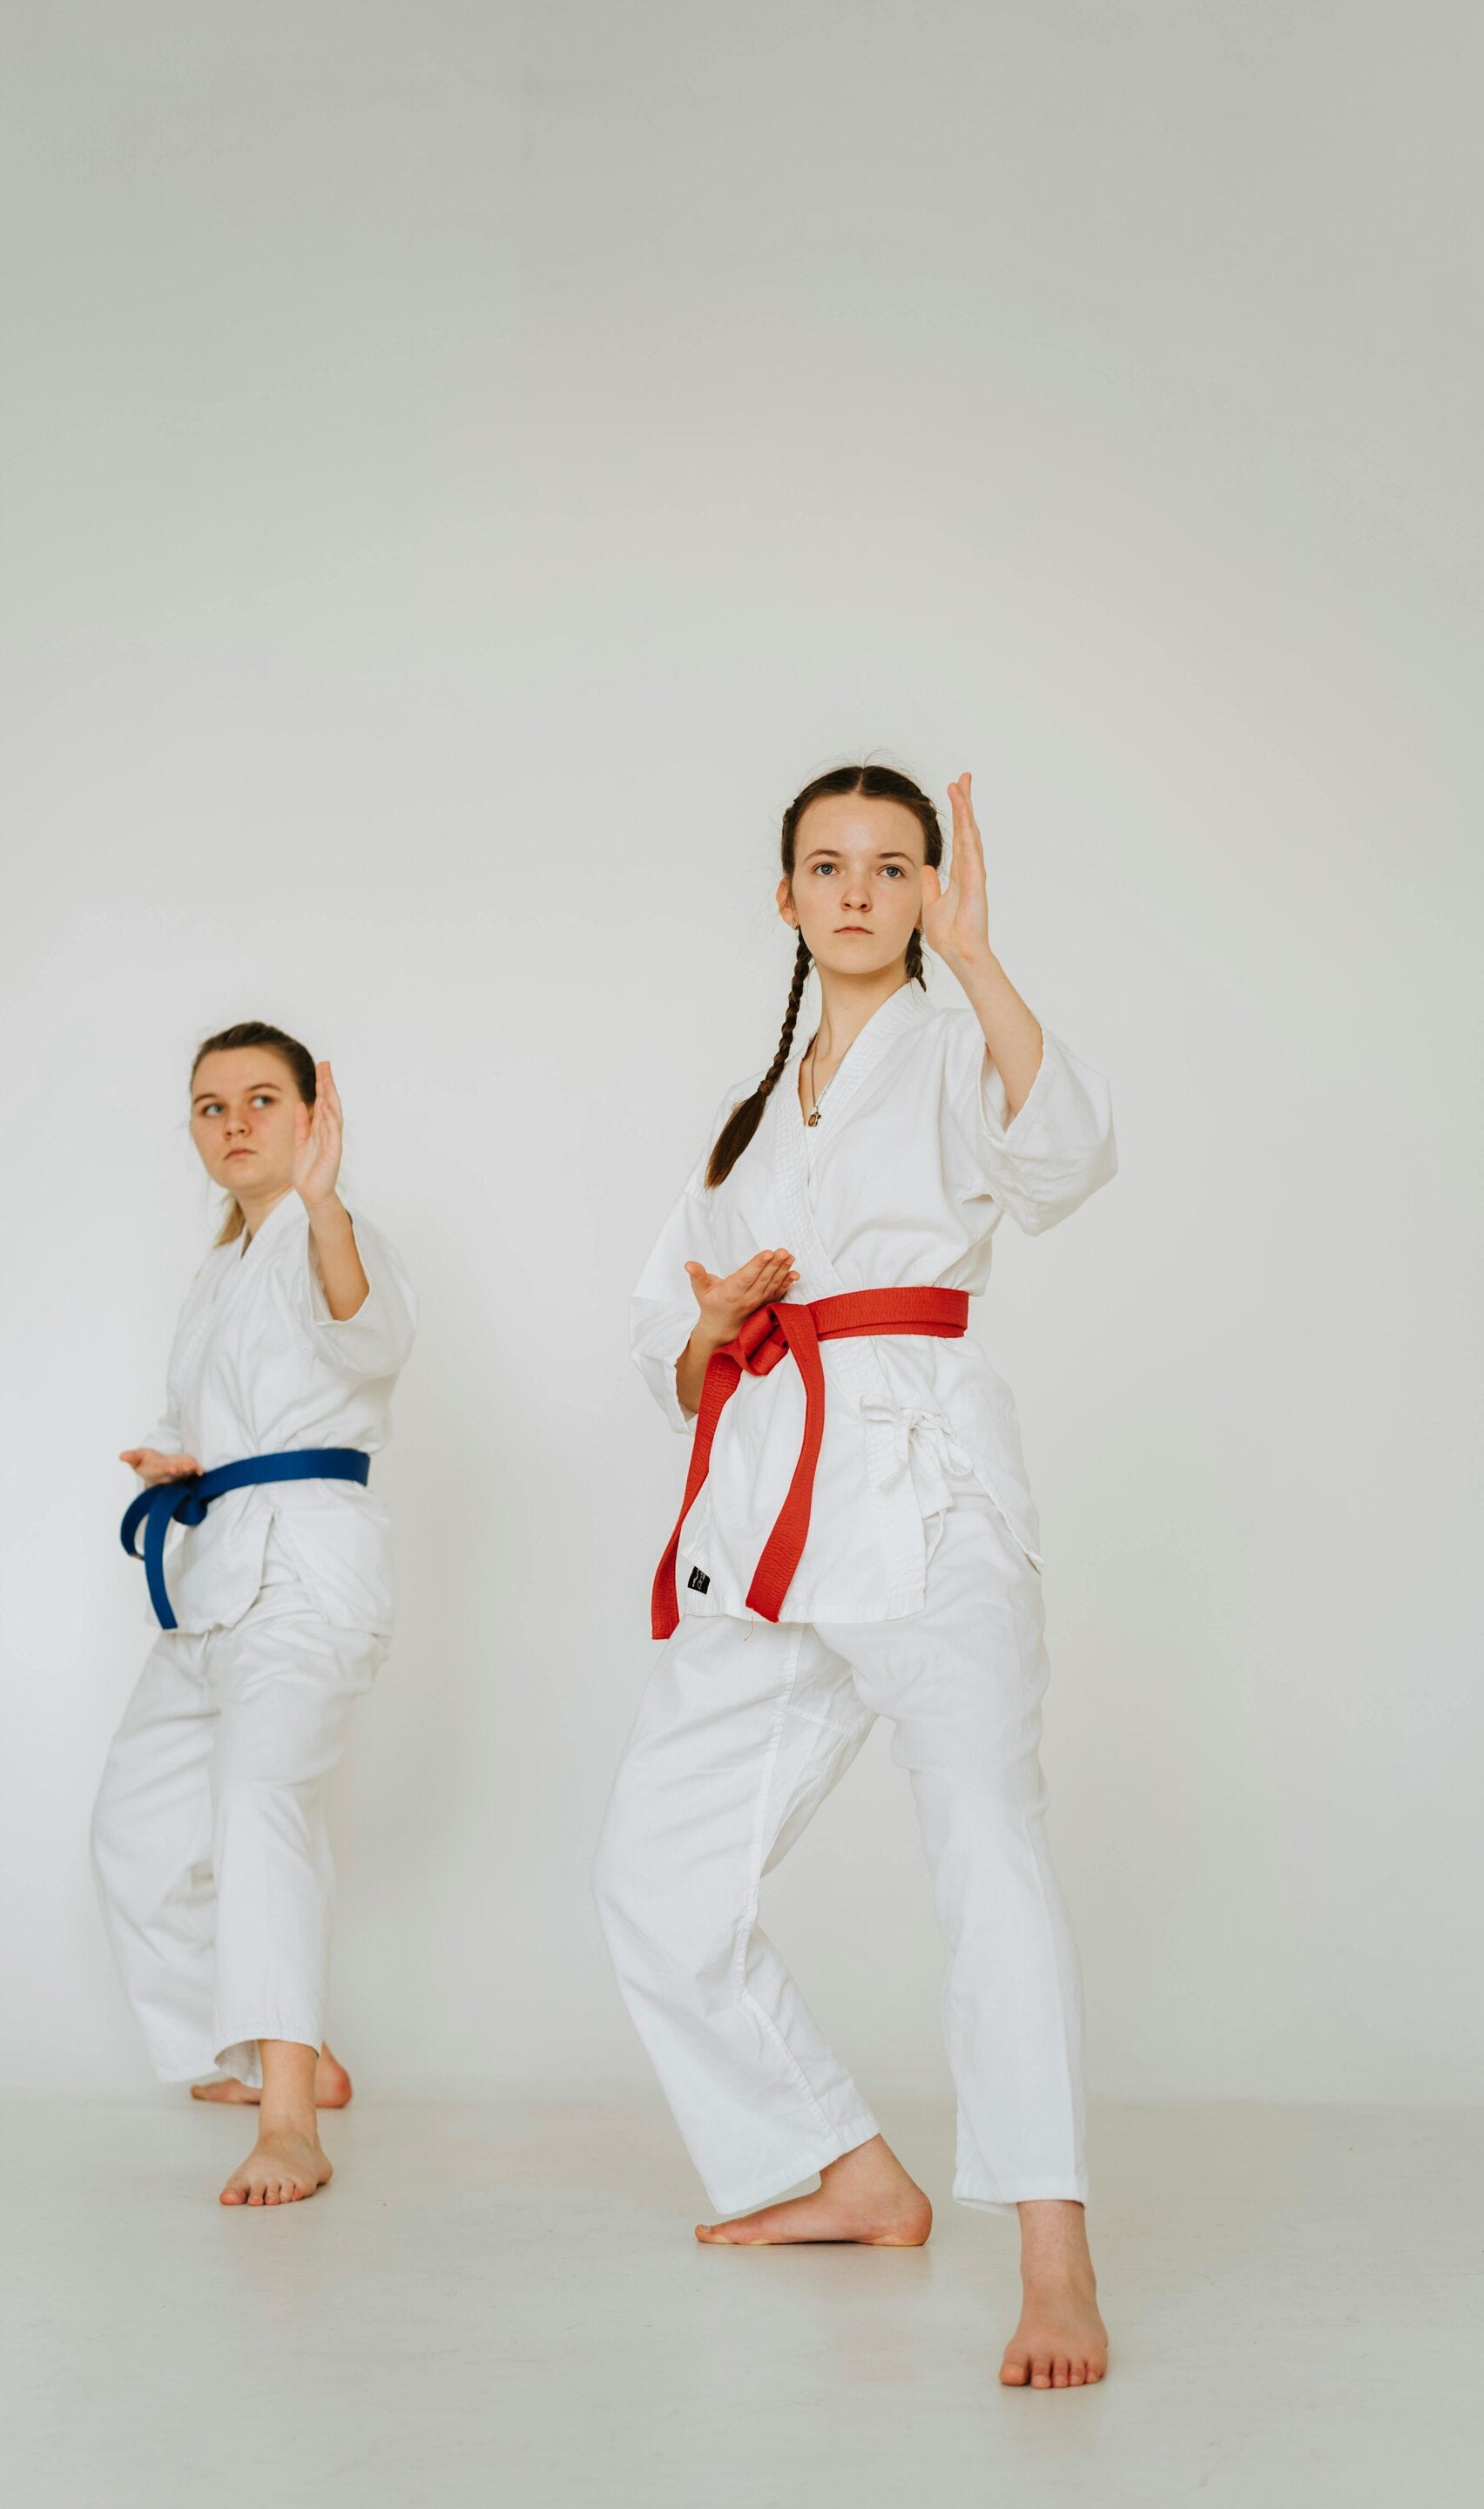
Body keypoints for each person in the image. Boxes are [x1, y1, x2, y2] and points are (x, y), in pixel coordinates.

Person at [593, 766, 1116, 2388]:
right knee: (655, 1876)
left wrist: (983, 962)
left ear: (928, 894)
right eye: (828, 865)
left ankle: (1055, 2254)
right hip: (770, 1508)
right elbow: (673, 1356)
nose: (859, 891)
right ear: (786, 898)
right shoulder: (749, 1112)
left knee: (987, 1852)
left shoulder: (958, 1048)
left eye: (895, 868)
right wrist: (713, 1322)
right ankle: (846, 2170)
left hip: (926, 1497)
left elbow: (1066, 1161)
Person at [91, 1021, 416, 2208]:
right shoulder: (219, 1267)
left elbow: (371, 1336)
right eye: (211, 1105)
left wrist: (325, 1208)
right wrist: (178, 1462)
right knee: (133, 1829)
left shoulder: (336, 1234)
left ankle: (292, 2122)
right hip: (214, 1574)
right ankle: (264, 2053)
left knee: (259, 1808)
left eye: (262, 1098)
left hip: (307, 1575)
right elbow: (216, 1414)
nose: (235, 1122)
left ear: (310, 1117)